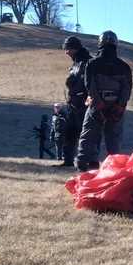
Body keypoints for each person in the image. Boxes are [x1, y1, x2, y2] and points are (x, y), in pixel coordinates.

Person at [74, 29, 132, 171]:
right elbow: (127, 88)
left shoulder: (92, 63)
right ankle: (115, 168)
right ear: (116, 44)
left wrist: (98, 103)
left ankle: (83, 164)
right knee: (114, 138)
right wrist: (120, 105)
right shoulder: (124, 66)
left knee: (88, 134)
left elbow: (90, 85)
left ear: (100, 43)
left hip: (96, 104)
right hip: (116, 105)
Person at [53, 35, 91, 168]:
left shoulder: (88, 62)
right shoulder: (76, 63)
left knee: (84, 134)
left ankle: (86, 162)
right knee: (69, 132)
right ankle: (68, 160)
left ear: (75, 48)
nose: (66, 52)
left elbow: (90, 84)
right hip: (73, 103)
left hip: (83, 104)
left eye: (68, 49)